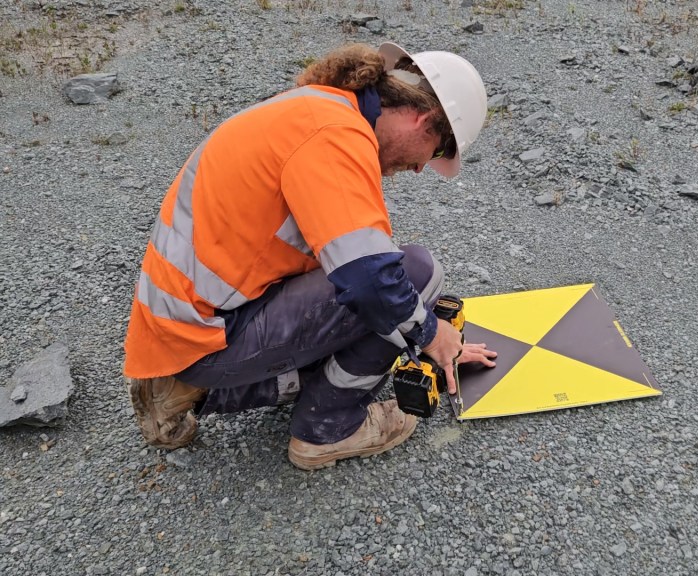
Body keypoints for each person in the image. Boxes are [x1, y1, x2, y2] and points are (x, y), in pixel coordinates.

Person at [123, 42, 497, 470]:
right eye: (432, 155)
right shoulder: (335, 136)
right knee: (416, 275)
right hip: (206, 334)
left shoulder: (318, 109)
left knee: (381, 304)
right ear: (424, 120)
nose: (417, 170)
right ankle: (328, 430)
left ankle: (186, 388)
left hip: (184, 325)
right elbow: (371, 279)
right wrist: (434, 335)